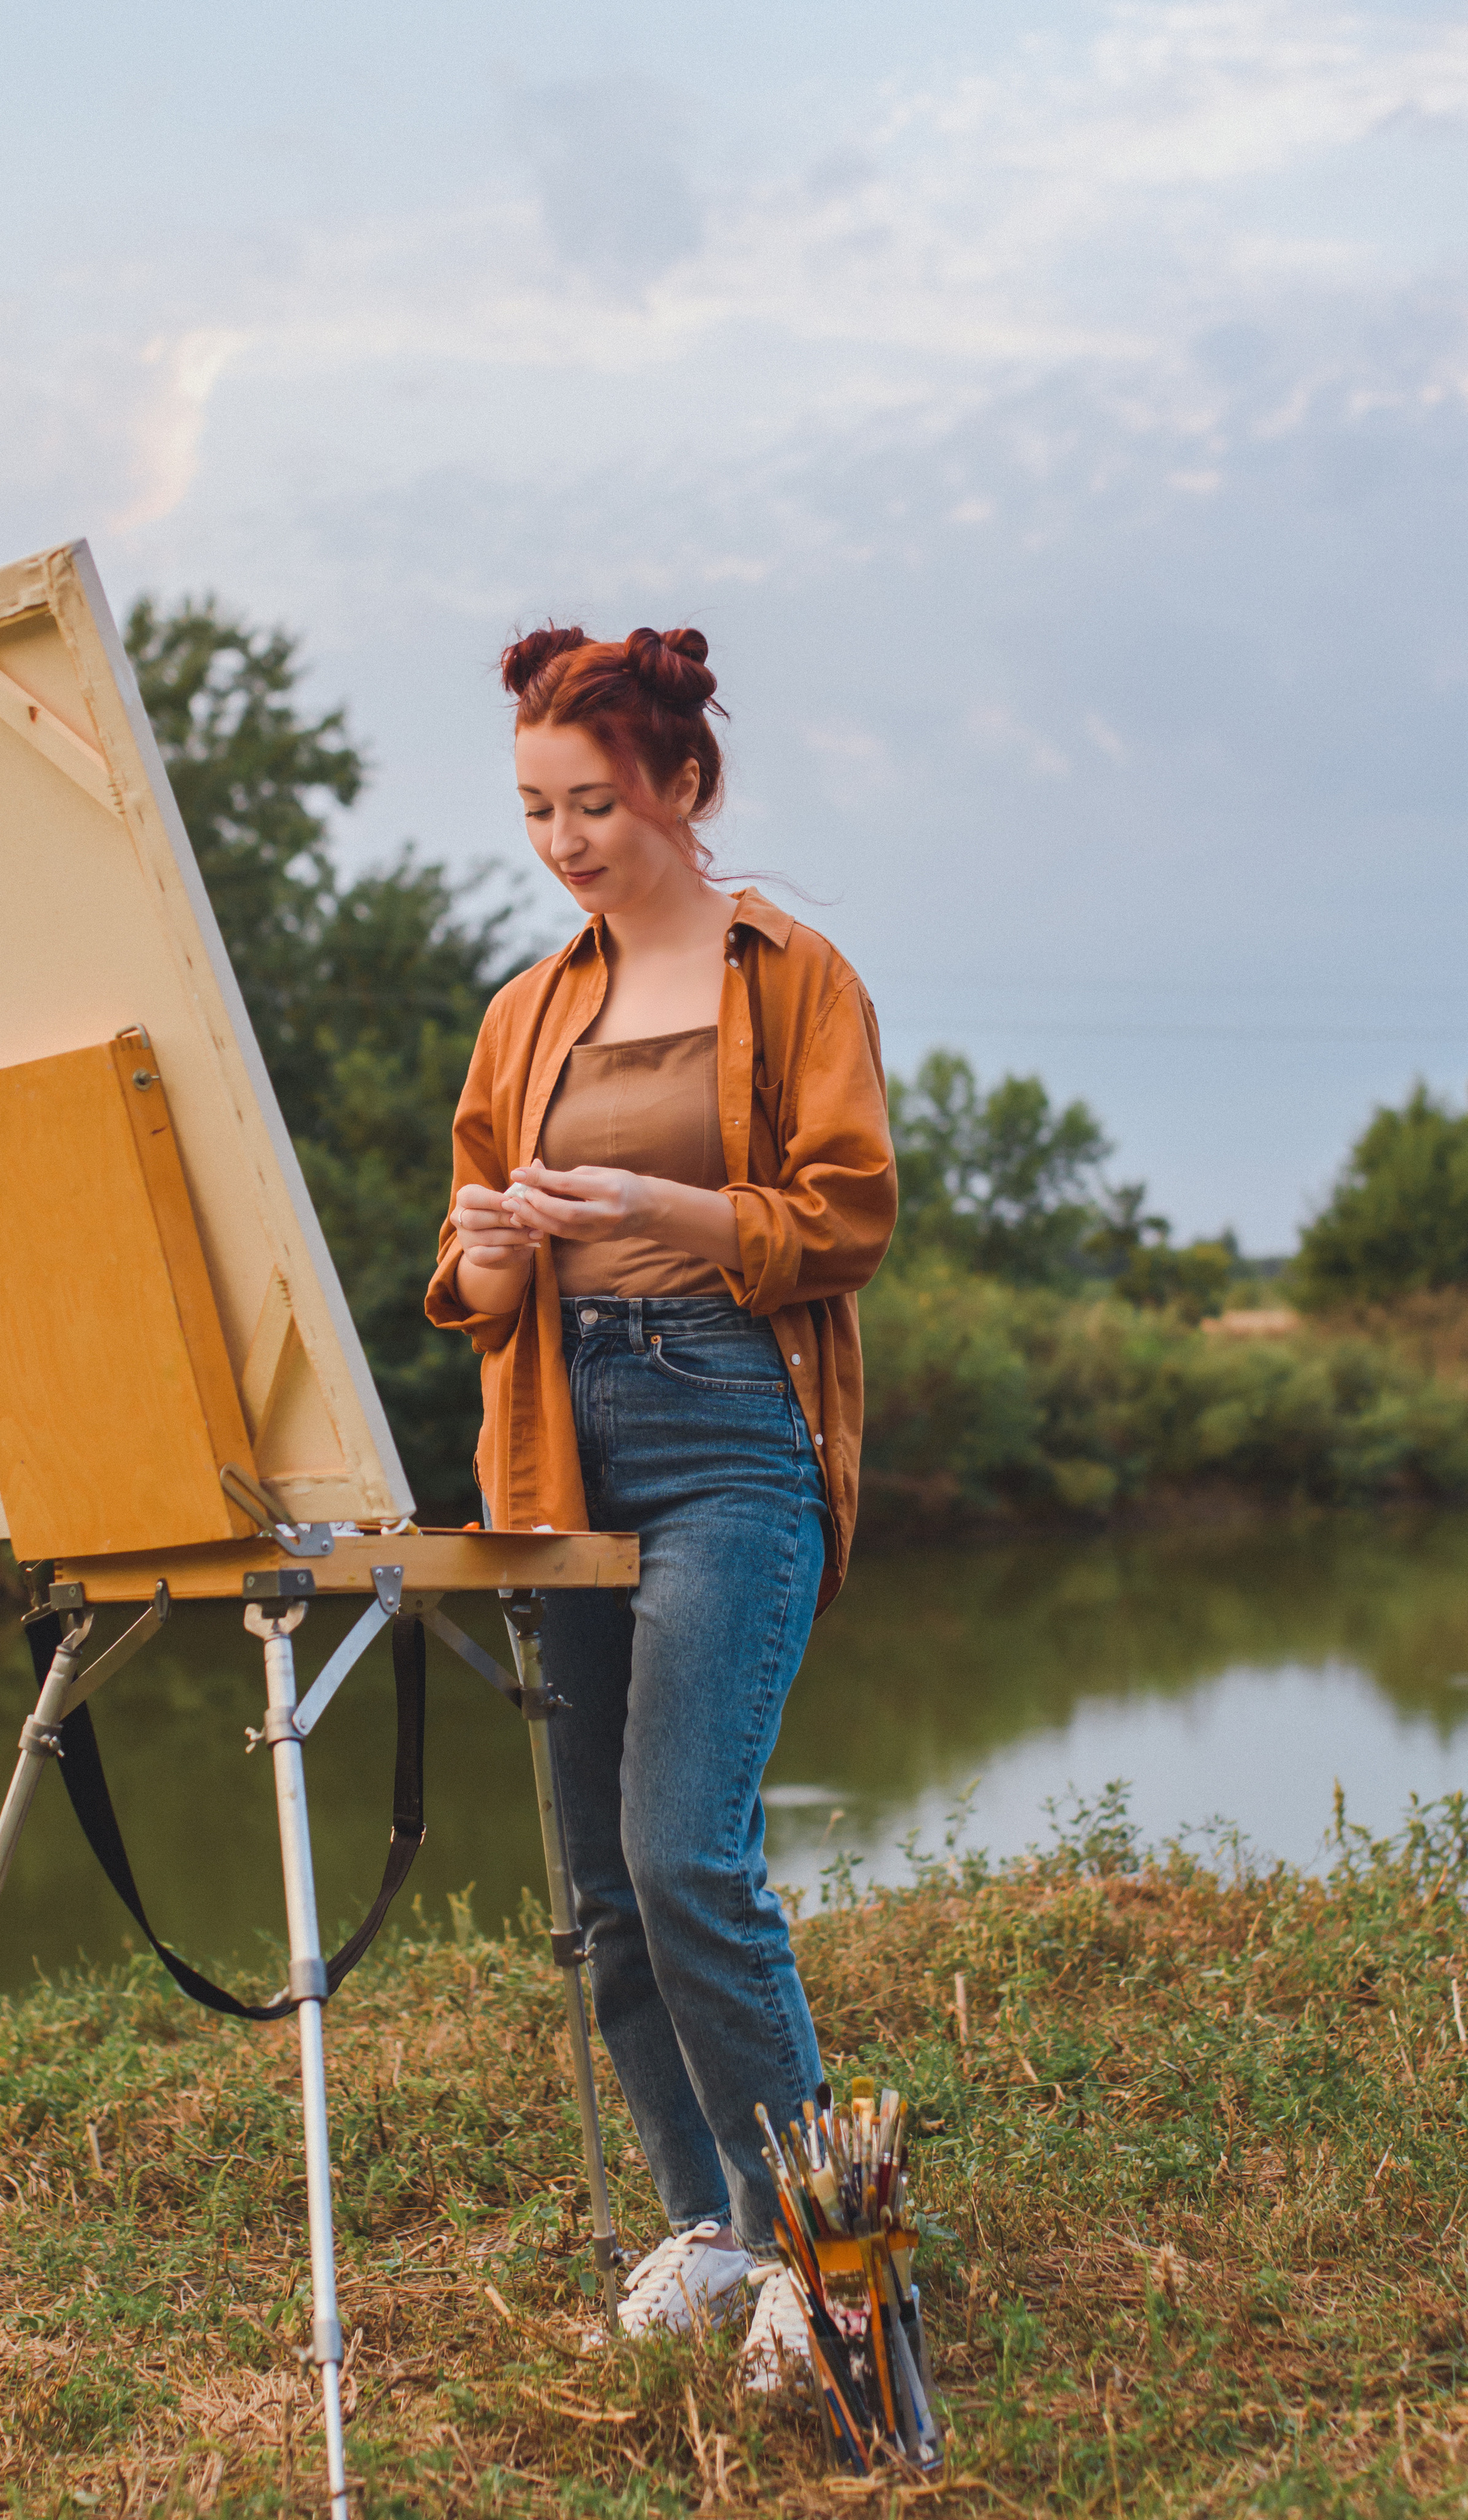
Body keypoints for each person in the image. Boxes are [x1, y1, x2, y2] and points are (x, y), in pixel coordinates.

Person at [425, 623, 896, 2372]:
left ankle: (834, 2265)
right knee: (606, 1891)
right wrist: (489, 1249)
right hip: (561, 1441)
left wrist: (653, 1204)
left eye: (594, 805)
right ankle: (708, 2228)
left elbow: (845, 1220)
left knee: (686, 1851)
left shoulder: (797, 979)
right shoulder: (526, 1010)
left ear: (683, 786)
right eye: (537, 810)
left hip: (728, 1428)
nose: (564, 841)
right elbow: (471, 1273)